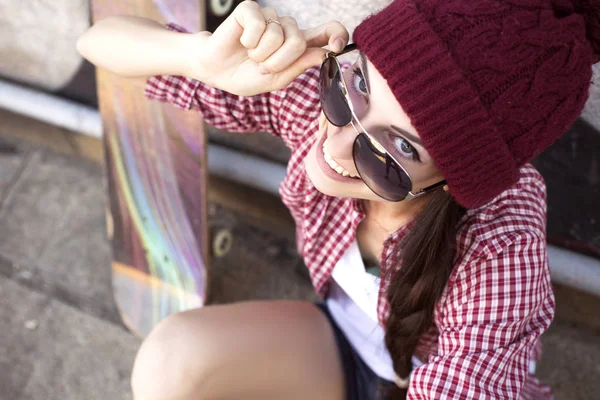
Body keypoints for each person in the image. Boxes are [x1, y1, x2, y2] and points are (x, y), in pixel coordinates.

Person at [77, 0, 600, 399]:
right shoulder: (315, 106)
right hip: (346, 342)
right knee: (170, 358)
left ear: (451, 184)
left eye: (395, 150)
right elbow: (100, 43)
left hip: (441, 376)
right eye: (351, 86)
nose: (337, 144)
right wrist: (199, 58)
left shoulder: (501, 249)